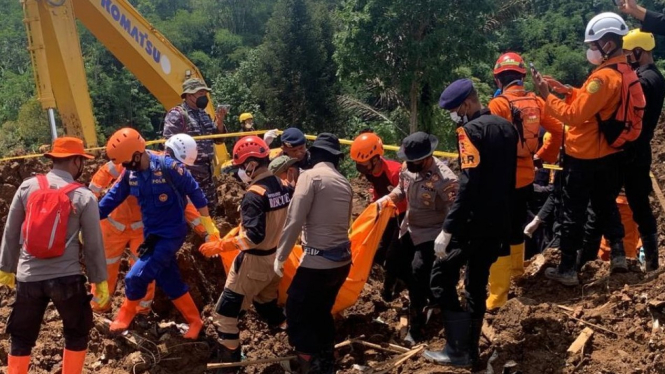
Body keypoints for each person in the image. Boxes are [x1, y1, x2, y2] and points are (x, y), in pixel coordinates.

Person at [532, 12, 637, 284]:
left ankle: (568, 269)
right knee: (605, 204)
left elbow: (573, 116)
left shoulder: (602, 79)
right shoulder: (623, 71)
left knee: (572, 211)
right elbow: (596, 105)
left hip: (585, 155)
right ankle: (617, 255)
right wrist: (568, 90)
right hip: (610, 153)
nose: (591, 50)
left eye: (594, 45)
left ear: (609, 44)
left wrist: (547, 96)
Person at [424, 79, 517, 368]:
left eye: (453, 109)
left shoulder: (469, 132)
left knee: (439, 279)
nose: (453, 115)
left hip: (472, 222)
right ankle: (470, 352)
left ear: (466, 104)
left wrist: (448, 229)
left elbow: (468, 184)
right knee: (476, 283)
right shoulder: (507, 128)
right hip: (498, 220)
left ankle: (456, 347)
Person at [0, 137, 108, 374]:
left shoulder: (27, 187)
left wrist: (6, 268)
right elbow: (93, 245)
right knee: (77, 333)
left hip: (28, 278)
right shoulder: (84, 196)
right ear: (76, 161)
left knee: (21, 337)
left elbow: (11, 232)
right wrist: (99, 280)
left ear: (54, 159)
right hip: (66, 279)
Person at [99, 128, 219, 340]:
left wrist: (207, 226)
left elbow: (196, 194)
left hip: (172, 234)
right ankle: (195, 321)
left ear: (137, 155)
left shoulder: (168, 167)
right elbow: (112, 198)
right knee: (169, 278)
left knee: (135, 277)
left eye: (127, 162)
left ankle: (124, 315)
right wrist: (89, 219)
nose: (125, 167)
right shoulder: (131, 175)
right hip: (152, 235)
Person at [198, 136, 293, 370]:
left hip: (255, 265)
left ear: (251, 164)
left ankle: (229, 367)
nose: (242, 171)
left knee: (225, 315)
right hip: (276, 260)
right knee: (266, 304)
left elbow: (253, 237)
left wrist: (220, 246)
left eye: (242, 166)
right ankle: (298, 339)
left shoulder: (254, 194)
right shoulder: (283, 186)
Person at [581, 28, 665, 272]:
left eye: (628, 53)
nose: (625, 58)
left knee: (606, 202)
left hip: (629, 151)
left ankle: (603, 256)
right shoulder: (650, 75)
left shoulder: (646, 80)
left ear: (639, 52)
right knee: (635, 205)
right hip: (636, 151)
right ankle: (649, 262)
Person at [485, 52, 564, 310]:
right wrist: (543, 155)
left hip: (504, 179)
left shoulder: (498, 105)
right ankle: (517, 274)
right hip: (527, 176)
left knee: (499, 234)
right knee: (517, 226)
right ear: (521, 77)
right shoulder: (536, 101)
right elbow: (559, 130)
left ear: (499, 80)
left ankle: (498, 296)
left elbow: (491, 144)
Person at [274, 133, 353, 374]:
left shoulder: (310, 177)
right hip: (342, 263)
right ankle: (326, 360)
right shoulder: (345, 182)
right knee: (321, 311)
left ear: (315, 155)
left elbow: (294, 219)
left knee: (296, 312)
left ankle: (312, 365)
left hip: (318, 263)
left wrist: (281, 255)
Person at [378, 132, 459, 344]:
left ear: (427, 157)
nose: (410, 164)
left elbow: (456, 209)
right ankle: (390, 294)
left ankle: (417, 323)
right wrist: (388, 199)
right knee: (392, 259)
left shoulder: (445, 179)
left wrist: (447, 235)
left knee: (418, 272)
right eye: (408, 160)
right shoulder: (407, 168)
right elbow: (401, 190)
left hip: (433, 232)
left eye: (415, 161)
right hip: (409, 227)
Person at [350, 132, 408, 302]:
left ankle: (393, 287)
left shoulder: (394, 171)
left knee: (394, 255)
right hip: (388, 214)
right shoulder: (370, 172)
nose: (359, 166)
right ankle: (394, 281)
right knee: (379, 252)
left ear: (375, 159)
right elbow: (378, 189)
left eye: (362, 162)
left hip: (404, 215)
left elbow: (408, 195)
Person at [163, 78, 227, 213]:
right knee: (191, 213)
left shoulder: (204, 115)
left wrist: (220, 123)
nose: (204, 96)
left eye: (205, 93)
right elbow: (169, 147)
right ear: (189, 95)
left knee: (210, 212)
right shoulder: (177, 114)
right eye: (200, 93)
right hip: (189, 175)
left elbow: (219, 140)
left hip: (207, 173)